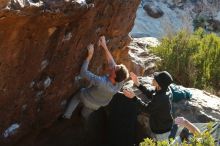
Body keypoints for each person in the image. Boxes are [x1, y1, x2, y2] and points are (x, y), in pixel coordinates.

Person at [63, 36, 129, 119]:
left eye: (115, 68)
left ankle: (66, 115)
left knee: (77, 96)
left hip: (86, 98)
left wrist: (89, 56)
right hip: (98, 105)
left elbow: (83, 72)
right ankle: (83, 116)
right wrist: (104, 46)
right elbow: (111, 63)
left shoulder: (101, 82)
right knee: (88, 110)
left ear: (114, 75)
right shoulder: (120, 81)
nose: (114, 66)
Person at [123, 71, 174, 141]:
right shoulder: (163, 90)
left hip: (162, 131)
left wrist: (134, 97)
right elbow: (150, 94)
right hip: (161, 126)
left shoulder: (162, 98)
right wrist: (137, 83)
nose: (153, 79)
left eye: (155, 79)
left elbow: (147, 109)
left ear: (159, 84)